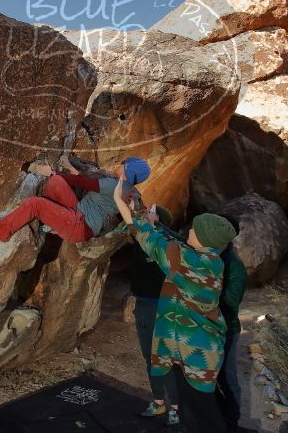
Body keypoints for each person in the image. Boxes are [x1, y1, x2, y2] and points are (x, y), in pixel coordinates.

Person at [113, 176, 236, 433]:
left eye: (194, 230)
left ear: (203, 238)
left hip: (196, 354)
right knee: (194, 411)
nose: (189, 231)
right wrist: (149, 219)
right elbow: (168, 238)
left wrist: (119, 201)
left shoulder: (189, 261)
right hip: (191, 349)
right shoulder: (210, 259)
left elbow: (150, 239)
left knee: (205, 415)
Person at [0, 156, 151, 248]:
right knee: (56, 182)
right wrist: (62, 172)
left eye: (123, 164)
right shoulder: (128, 190)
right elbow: (86, 182)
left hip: (78, 225)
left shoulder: (115, 185)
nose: (119, 164)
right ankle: (51, 222)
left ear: (127, 169)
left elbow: (80, 182)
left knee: (35, 203)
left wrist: (47, 171)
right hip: (79, 215)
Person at [128, 205, 181, 426]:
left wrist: (149, 226)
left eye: (150, 212)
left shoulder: (164, 242)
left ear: (159, 219)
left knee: (166, 359)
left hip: (162, 307)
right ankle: (159, 402)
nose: (146, 213)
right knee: (150, 358)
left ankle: (176, 408)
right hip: (144, 305)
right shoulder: (145, 238)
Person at [215, 215, 247, 433]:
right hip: (211, 328)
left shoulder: (234, 266)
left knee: (227, 376)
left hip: (226, 330)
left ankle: (233, 421)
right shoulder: (213, 256)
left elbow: (230, 302)